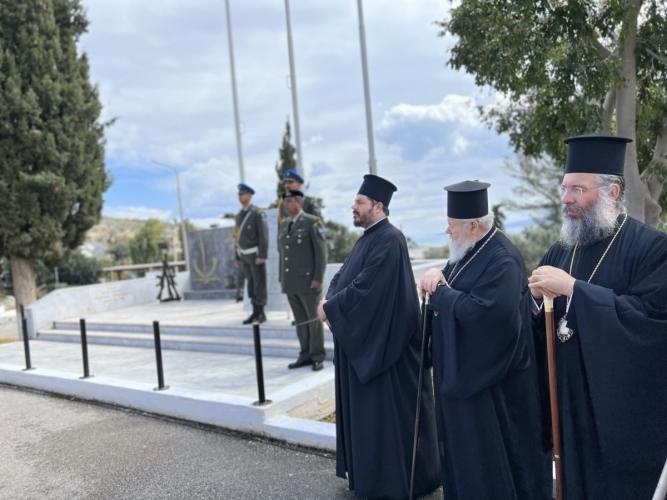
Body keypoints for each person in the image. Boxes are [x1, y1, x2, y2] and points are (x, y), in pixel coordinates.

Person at [528, 134, 667, 499]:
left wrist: (576, 290)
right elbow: (533, 320)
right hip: (568, 405)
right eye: (564, 188)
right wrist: (533, 300)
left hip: (618, 413)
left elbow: (651, 322)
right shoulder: (561, 250)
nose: (566, 199)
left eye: (577, 189)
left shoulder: (652, 248)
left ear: (612, 193)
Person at [419, 180, 552, 499]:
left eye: (452, 225)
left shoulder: (502, 258)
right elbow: (453, 282)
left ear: (473, 225)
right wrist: (437, 275)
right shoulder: (468, 250)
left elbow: (489, 317)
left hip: (492, 388)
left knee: (491, 469)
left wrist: (440, 295)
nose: (447, 231)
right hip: (466, 383)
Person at [317, 174, 440, 499]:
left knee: (391, 420)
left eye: (359, 202)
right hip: (368, 342)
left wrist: (332, 308)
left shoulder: (391, 239)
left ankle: (396, 483)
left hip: (388, 350)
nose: (353, 207)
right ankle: (370, 478)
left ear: (378, 206)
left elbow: (368, 288)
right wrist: (329, 302)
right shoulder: (366, 239)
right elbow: (342, 277)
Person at [278, 189, 327, 371]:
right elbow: (283, 254)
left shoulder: (312, 222)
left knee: (313, 321)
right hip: (291, 282)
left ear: (299, 202)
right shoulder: (284, 224)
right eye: (285, 201)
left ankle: (317, 356)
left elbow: (321, 254)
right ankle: (305, 354)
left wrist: (318, 278)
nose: (286, 204)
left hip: (309, 282)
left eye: (290, 200)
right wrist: (282, 279)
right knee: (300, 321)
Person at [234, 183, 268, 324]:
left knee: (259, 284)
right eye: (239, 194)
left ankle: (261, 313)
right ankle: (255, 312)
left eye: (243, 194)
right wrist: (237, 256)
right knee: (251, 285)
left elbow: (263, 235)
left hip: (255, 255)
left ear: (250, 196)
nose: (240, 196)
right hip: (243, 255)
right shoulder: (239, 215)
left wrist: (262, 255)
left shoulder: (257, 213)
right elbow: (236, 237)